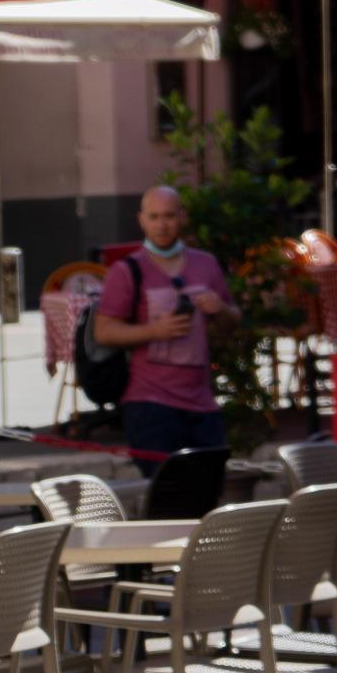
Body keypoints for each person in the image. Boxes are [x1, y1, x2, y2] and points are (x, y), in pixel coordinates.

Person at [94, 184, 241, 467]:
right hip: (150, 404)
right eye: (154, 217)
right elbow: (104, 331)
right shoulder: (126, 271)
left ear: (182, 217)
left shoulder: (205, 264)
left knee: (207, 493)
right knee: (167, 498)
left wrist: (220, 309)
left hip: (202, 404)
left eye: (169, 216)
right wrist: (154, 331)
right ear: (141, 220)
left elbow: (232, 321)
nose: (162, 225)